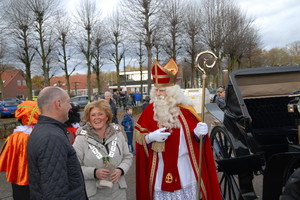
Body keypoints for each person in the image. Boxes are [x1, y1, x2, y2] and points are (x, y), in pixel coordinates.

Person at [134, 59, 222, 200]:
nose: (158, 94)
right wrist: (150, 138)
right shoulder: (149, 111)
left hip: (185, 168)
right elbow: (140, 139)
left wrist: (198, 133)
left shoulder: (186, 109)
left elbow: (197, 141)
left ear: (172, 91)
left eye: (162, 90)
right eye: (156, 90)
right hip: (160, 168)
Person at [27, 86, 87, 199]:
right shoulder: (51, 137)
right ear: (58, 104)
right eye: (68, 102)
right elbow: (55, 192)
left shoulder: (44, 130)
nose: (70, 106)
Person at [73, 99, 133, 200]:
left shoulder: (118, 134)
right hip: (94, 195)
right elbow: (74, 167)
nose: (97, 118)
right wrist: (94, 172)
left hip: (118, 192)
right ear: (89, 118)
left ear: (107, 116)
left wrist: (121, 170)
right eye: (93, 115)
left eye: (100, 114)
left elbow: (128, 157)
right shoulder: (80, 139)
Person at [0, 101, 40, 200]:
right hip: (36, 179)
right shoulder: (40, 135)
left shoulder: (13, 137)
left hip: (17, 177)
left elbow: (4, 157)